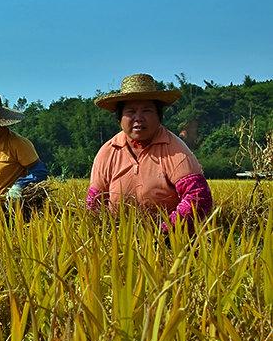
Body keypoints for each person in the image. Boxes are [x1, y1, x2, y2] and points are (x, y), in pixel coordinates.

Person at [87, 73, 213, 230]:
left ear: (159, 115)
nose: (138, 118)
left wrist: (164, 231)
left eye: (147, 111)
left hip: (169, 241)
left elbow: (198, 196)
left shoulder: (175, 150)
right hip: (117, 238)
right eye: (131, 111)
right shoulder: (107, 151)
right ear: (120, 118)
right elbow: (94, 202)